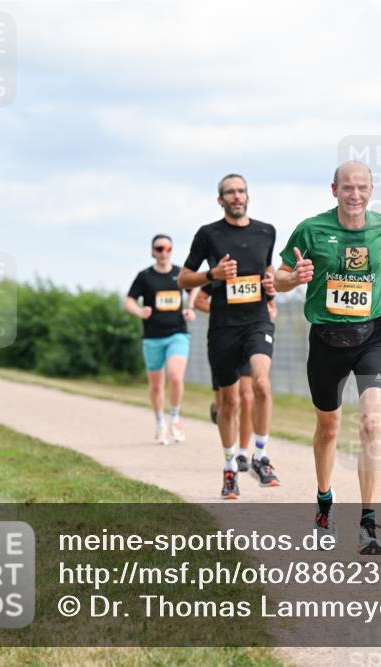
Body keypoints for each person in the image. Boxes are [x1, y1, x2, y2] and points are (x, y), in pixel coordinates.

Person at [275, 161, 381, 555]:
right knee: (329, 428)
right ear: (333, 190)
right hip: (326, 339)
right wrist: (295, 276)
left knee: (371, 422)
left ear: (371, 190)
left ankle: (368, 523)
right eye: (347, 188)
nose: (355, 195)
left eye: (362, 188)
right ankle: (323, 505)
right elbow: (279, 277)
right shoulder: (311, 229)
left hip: (371, 336)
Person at [179, 174, 280, 499]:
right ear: (220, 199)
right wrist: (213, 274)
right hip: (223, 326)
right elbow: (183, 279)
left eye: (241, 191)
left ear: (248, 196)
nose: (237, 196)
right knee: (230, 400)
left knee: (260, 386)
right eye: (230, 193)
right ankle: (229, 466)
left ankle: (260, 456)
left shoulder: (266, 231)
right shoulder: (209, 234)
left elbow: (267, 271)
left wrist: (271, 289)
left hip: (257, 322)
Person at [125, 234, 198, 445]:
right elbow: (129, 301)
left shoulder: (179, 274)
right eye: (159, 248)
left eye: (167, 248)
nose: (163, 252)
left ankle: (174, 417)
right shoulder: (145, 276)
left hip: (178, 333)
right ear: (152, 251)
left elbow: (194, 288)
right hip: (153, 337)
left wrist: (190, 308)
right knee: (157, 385)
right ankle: (160, 422)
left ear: (172, 250)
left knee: (175, 377)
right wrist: (140, 312)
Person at [197, 284, 278, 472]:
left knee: (247, 396)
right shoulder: (222, 270)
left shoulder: (258, 269)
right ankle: (229, 448)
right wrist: (223, 311)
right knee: (227, 402)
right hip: (225, 337)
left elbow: (272, 303)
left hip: (250, 337)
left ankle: (242, 453)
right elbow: (198, 300)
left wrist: (270, 310)